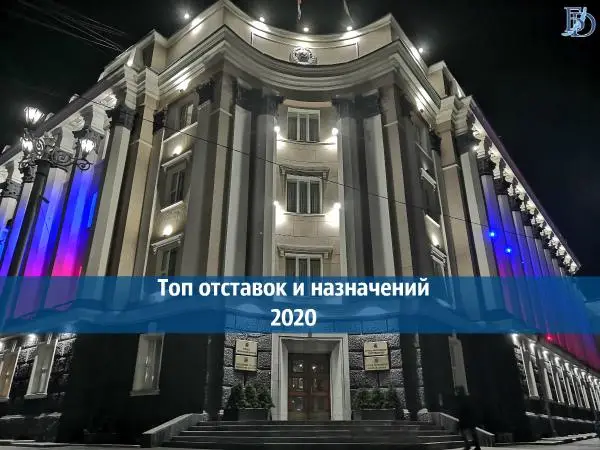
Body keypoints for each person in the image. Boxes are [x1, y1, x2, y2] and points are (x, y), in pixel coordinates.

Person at [455, 386, 481, 450]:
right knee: (471, 431)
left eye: (457, 391)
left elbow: (461, 408)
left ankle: (469, 445)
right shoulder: (467, 398)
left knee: (463, 431)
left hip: (465, 418)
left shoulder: (461, 398)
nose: (456, 393)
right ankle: (476, 445)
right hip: (469, 418)